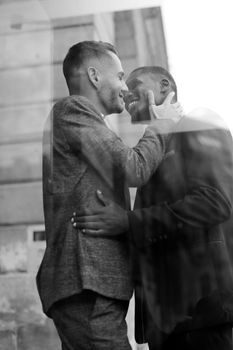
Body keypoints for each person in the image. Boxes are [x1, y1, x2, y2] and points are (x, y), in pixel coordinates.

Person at [72, 66, 233, 350]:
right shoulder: (155, 148)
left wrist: (129, 221)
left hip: (205, 317)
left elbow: (215, 202)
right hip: (169, 324)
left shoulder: (197, 124)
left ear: (163, 86)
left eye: (133, 83)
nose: (125, 91)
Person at [36, 42, 183, 350]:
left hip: (91, 284)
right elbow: (134, 168)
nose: (123, 86)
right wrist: (161, 125)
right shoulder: (73, 110)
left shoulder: (86, 120)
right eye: (118, 75)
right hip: (86, 280)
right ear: (94, 76)